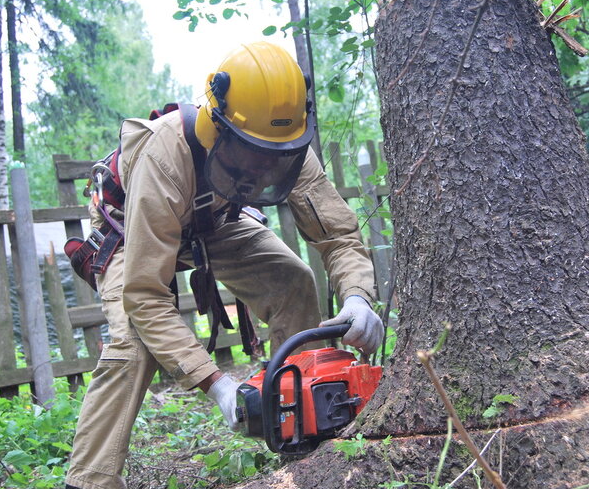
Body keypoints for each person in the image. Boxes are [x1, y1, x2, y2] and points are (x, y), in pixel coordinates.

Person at [64, 41, 383, 489]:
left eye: (274, 156)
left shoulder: (284, 142)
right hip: (130, 226)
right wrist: (215, 383)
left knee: (292, 280)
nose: (264, 167)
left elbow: (337, 231)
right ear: (220, 127)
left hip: (213, 217)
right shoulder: (164, 155)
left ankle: (304, 431)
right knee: (134, 343)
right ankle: (89, 480)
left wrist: (356, 296)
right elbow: (144, 294)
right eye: (251, 153)